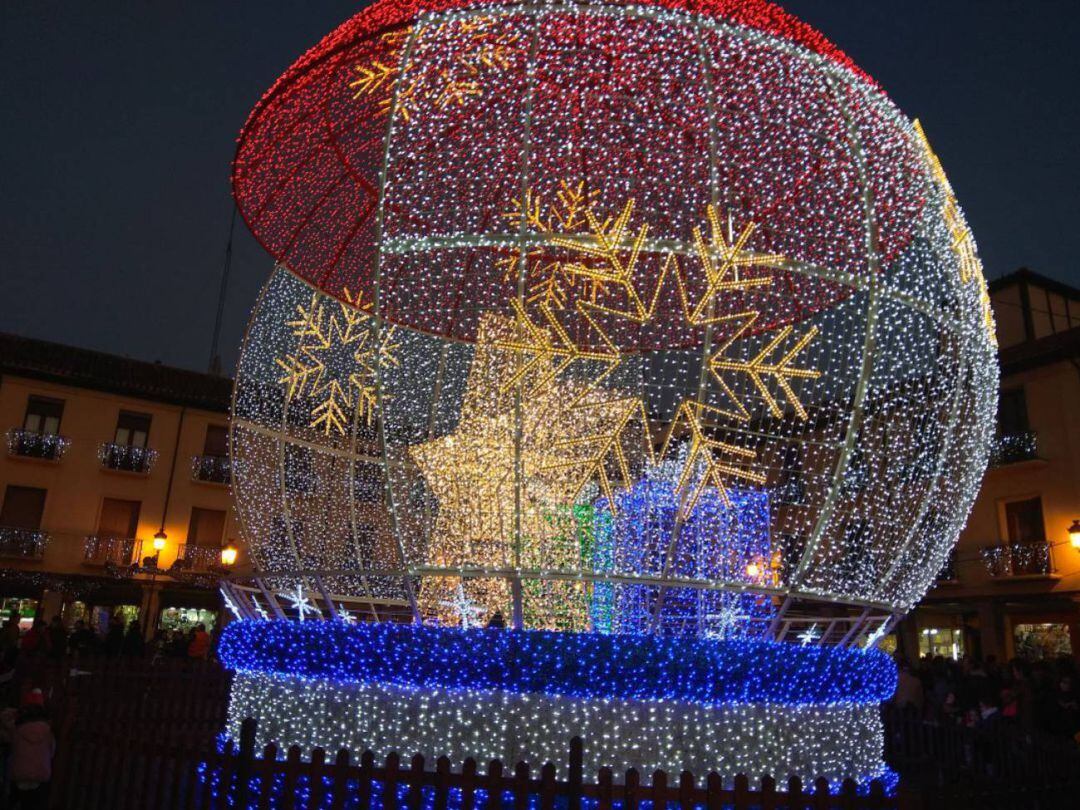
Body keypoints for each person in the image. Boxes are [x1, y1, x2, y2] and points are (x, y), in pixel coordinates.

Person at [1, 689, 55, 809]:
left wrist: (16, 711)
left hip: (19, 775)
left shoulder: (16, 730)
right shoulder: (48, 732)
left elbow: (3, 719)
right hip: (40, 777)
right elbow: (51, 752)